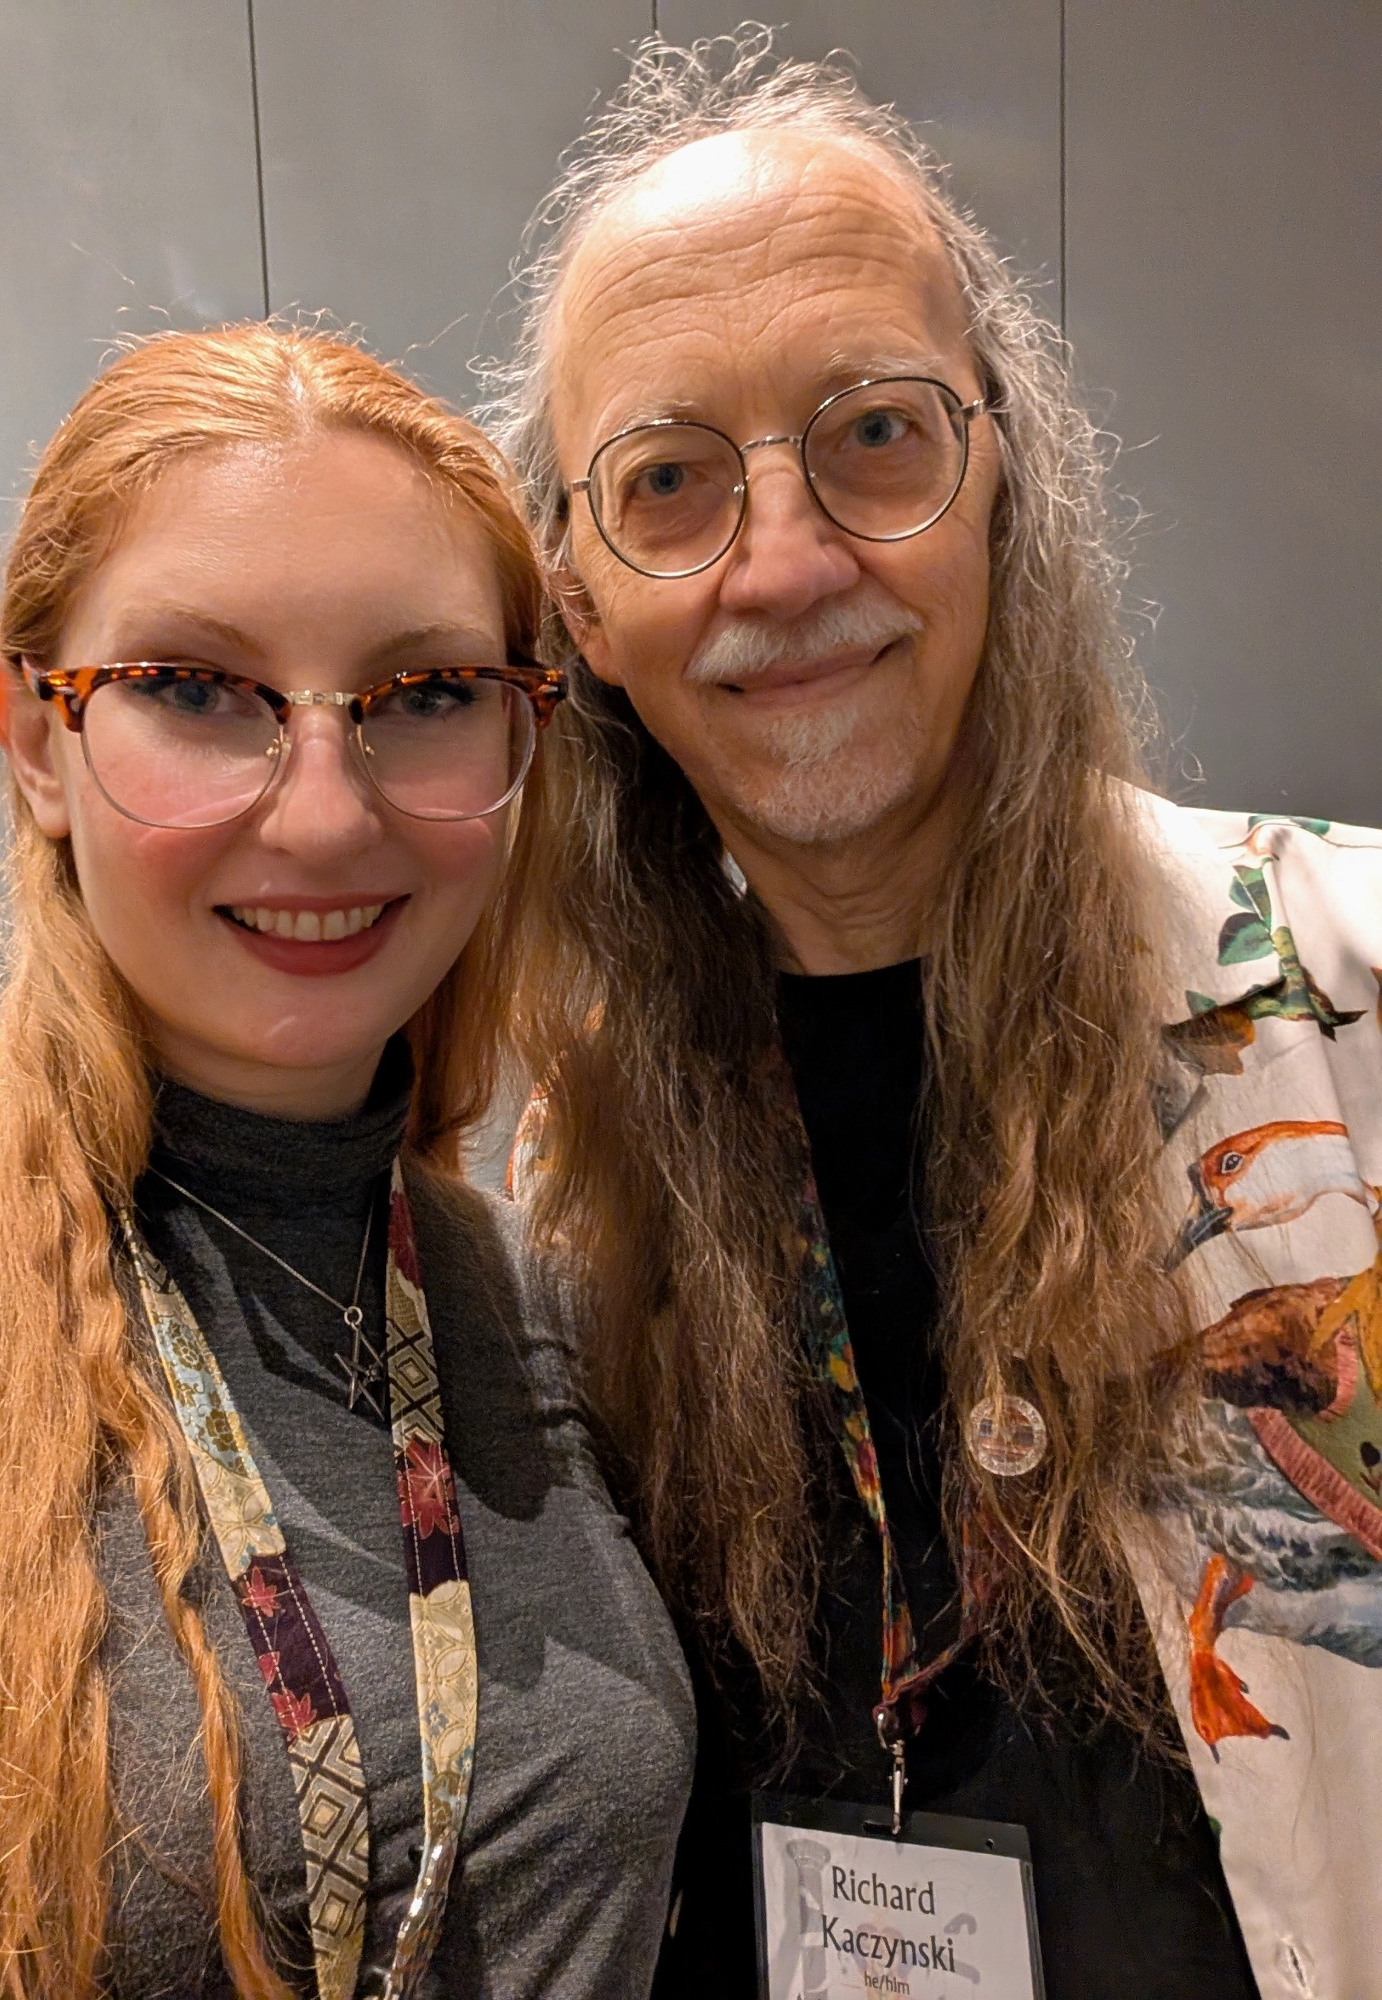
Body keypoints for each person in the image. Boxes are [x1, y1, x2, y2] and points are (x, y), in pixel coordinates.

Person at [487, 32, 1382, 2000]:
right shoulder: (587, 1172)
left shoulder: (1357, 1006)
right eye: (668, 483)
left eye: (877, 433)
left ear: (1003, 478)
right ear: (580, 609)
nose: (788, 563)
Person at [0, 325, 694, 2000]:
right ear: (34, 739)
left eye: (426, 696)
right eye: (194, 690)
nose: (324, 815)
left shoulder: (538, 1305)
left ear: (521, 743)